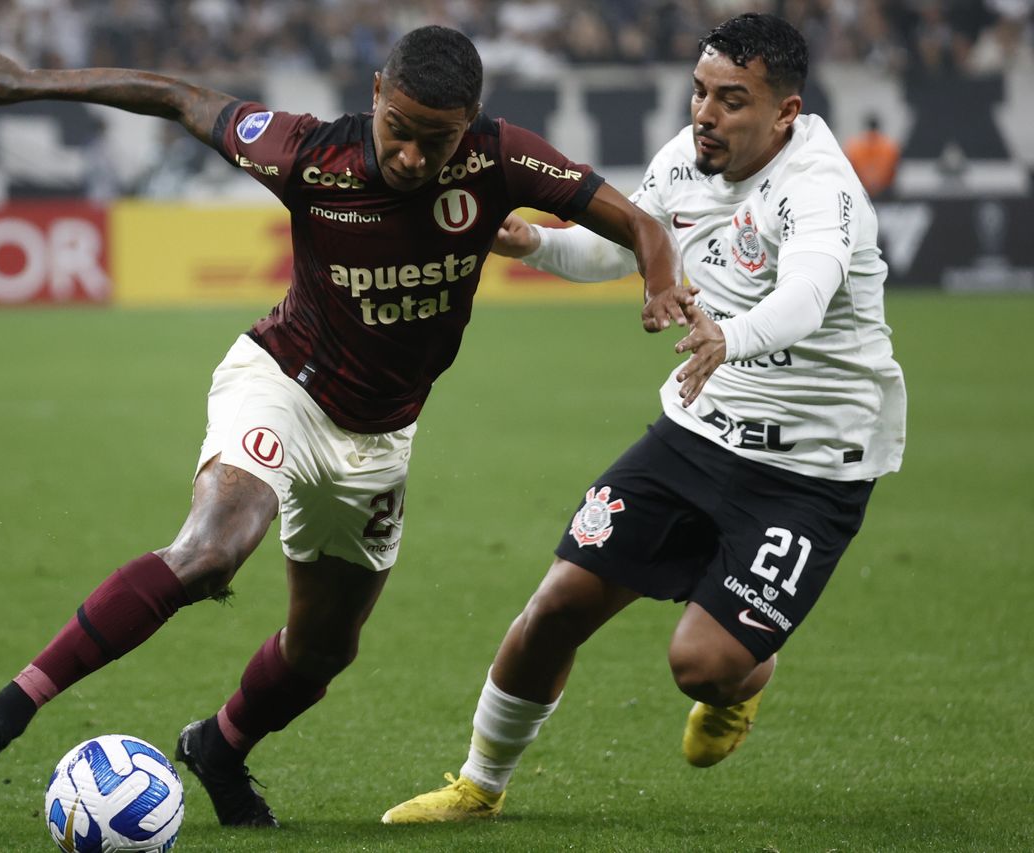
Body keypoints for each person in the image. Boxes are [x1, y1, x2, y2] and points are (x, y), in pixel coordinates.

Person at [0, 25, 698, 828]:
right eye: (401, 130)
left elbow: (639, 225)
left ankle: (219, 746)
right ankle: (5, 710)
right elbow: (178, 97)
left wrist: (660, 282)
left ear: (471, 124)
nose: (415, 159)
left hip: (380, 438)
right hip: (284, 383)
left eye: (440, 141)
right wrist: (25, 83)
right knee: (210, 550)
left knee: (323, 648)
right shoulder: (308, 154)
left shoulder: (503, 158)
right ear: (375, 98)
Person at [383, 13, 906, 824]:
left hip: (810, 467)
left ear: (785, 113)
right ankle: (478, 785)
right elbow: (619, 248)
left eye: (733, 101)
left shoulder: (822, 189)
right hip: (696, 432)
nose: (706, 114)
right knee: (555, 604)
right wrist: (534, 244)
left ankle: (743, 679)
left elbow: (805, 297)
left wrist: (730, 336)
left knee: (702, 664)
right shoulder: (686, 159)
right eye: (701, 93)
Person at [843, 114, 900, 199]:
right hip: (884, 194)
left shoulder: (854, 146)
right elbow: (893, 170)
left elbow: (849, 169)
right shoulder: (890, 146)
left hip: (861, 193)